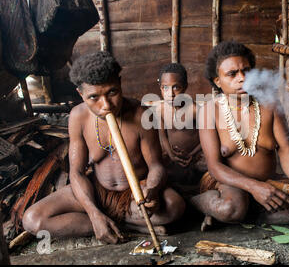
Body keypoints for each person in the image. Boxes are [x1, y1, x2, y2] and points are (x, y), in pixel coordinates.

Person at [22, 51, 185, 244]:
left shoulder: (142, 114)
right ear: (81, 94)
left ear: (120, 83)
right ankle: (118, 224)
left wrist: (153, 189)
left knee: (175, 206)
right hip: (96, 191)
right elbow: (77, 173)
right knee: (32, 220)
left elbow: (156, 166)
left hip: (134, 195)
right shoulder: (78, 117)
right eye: (94, 97)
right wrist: (93, 213)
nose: (106, 105)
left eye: (112, 92)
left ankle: (118, 222)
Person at [190, 41, 289, 231]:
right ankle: (195, 203)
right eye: (232, 74)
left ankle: (247, 213)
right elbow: (214, 166)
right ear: (217, 81)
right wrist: (253, 187)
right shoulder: (209, 111)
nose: (242, 78)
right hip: (229, 184)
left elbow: (286, 152)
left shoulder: (270, 105)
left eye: (246, 71)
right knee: (231, 207)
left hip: (268, 183)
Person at [157, 63, 207, 191]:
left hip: (195, 155)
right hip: (173, 155)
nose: (171, 94)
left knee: (204, 167)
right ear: (160, 88)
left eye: (176, 88)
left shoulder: (195, 110)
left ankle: (194, 191)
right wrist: (171, 154)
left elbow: (206, 137)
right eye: (165, 88)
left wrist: (193, 155)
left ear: (185, 87)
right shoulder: (160, 109)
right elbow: (162, 136)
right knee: (162, 170)